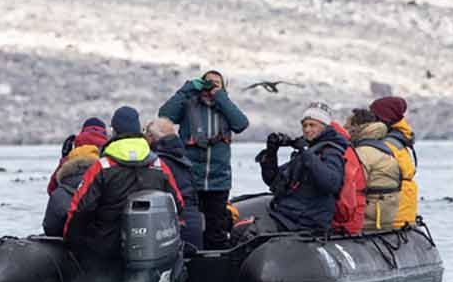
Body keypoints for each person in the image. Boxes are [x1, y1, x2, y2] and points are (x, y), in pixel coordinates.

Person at [63, 106, 185, 276]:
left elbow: (80, 209)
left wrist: (70, 243)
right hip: (150, 252)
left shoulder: (101, 167)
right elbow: (178, 204)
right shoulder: (158, 165)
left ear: (114, 131)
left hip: (106, 253)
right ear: (139, 130)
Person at [157, 69, 249, 247]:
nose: (211, 86)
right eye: (207, 82)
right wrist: (187, 89)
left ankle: (215, 267)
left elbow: (241, 124)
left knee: (216, 229)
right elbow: (165, 115)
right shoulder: (188, 104)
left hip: (219, 180)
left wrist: (220, 97)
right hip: (192, 179)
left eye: (217, 83)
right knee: (191, 227)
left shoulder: (226, 107)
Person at [244, 100, 347, 234]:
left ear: (324, 127)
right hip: (288, 216)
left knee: (250, 233)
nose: (307, 130)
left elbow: (330, 184)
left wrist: (306, 153)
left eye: (312, 125)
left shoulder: (332, 152)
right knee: (240, 229)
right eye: (304, 125)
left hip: (308, 222)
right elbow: (273, 181)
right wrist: (271, 153)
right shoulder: (306, 151)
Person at [144, 117, 204, 250]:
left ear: (151, 137)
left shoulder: (156, 164)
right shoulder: (183, 158)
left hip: (174, 225)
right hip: (193, 223)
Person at [41, 118, 108, 236]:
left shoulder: (75, 149)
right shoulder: (108, 151)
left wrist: (64, 158)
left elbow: (51, 189)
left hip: (68, 225)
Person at [347, 108, 402, 231]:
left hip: (370, 218)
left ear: (357, 127)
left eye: (348, 125)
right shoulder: (383, 147)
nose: (345, 127)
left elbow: (354, 185)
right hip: (387, 214)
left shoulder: (362, 152)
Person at [370, 96, 420, 227]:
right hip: (405, 212)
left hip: (395, 214)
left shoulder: (387, 145)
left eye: (373, 115)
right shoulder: (399, 141)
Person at [46, 117, 107, 194]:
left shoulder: (72, 156)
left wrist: (64, 158)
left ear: (83, 131)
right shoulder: (108, 155)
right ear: (104, 134)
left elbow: (51, 190)